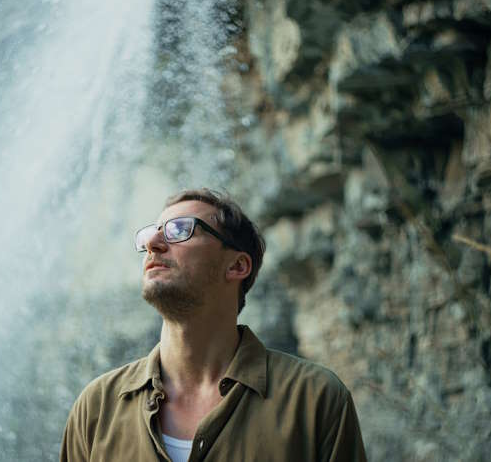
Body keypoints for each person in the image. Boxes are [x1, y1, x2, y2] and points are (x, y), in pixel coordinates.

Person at [60, 188, 367, 461]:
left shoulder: (315, 400)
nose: (153, 242)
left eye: (179, 230)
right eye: (150, 234)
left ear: (237, 265)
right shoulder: (97, 407)